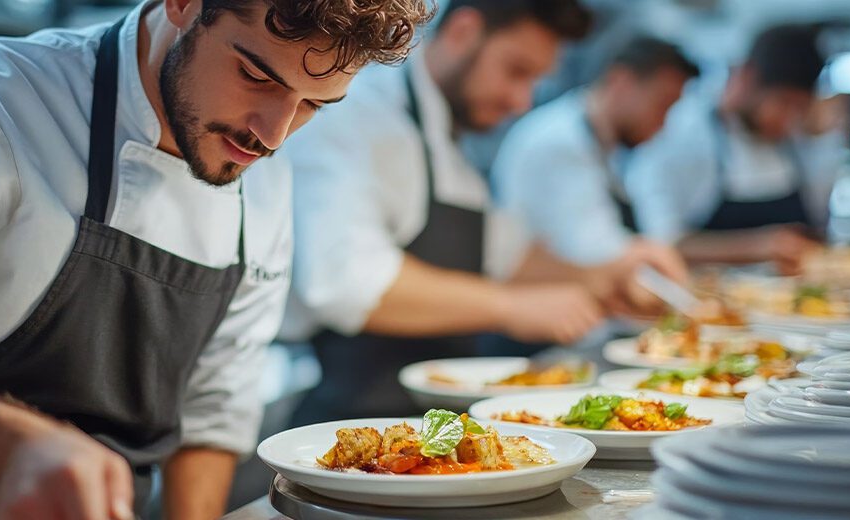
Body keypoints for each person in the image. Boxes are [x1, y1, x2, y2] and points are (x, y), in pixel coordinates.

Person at [0, 1, 433, 518]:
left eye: (315, 104)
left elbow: (215, 403)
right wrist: (13, 452)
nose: (273, 132)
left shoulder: (266, 171)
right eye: (255, 73)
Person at [280, 0, 686, 425]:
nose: (521, 101)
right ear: (463, 32)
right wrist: (513, 307)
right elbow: (345, 286)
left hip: (430, 422)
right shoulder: (356, 114)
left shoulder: (447, 133)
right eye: (516, 71)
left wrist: (606, 275)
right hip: (346, 417)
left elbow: (502, 251)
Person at [625, 24, 830, 275]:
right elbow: (661, 243)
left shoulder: (797, 143)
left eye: (800, 108)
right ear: (746, 78)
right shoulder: (680, 135)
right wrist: (758, 246)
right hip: (710, 303)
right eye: (783, 103)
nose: (789, 120)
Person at [496, 36, 699, 266]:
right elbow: (589, 252)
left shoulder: (605, 145)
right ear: (621, 81)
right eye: (662, 105)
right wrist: (649, 251)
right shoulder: (557, 143)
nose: (663, 124)